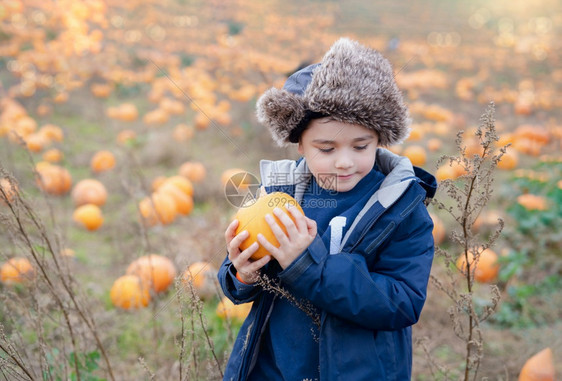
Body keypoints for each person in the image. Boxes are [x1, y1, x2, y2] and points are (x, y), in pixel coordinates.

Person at [218, 37, 437, 381]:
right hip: (274, 369)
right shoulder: (280, 195)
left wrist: (307, 268)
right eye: (326, 148)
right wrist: (242, 274)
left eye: (360, 145)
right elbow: (238, 285)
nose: (345, 162)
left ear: (379, 139)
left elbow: (402, 302)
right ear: (301, 146)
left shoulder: (401, 209)